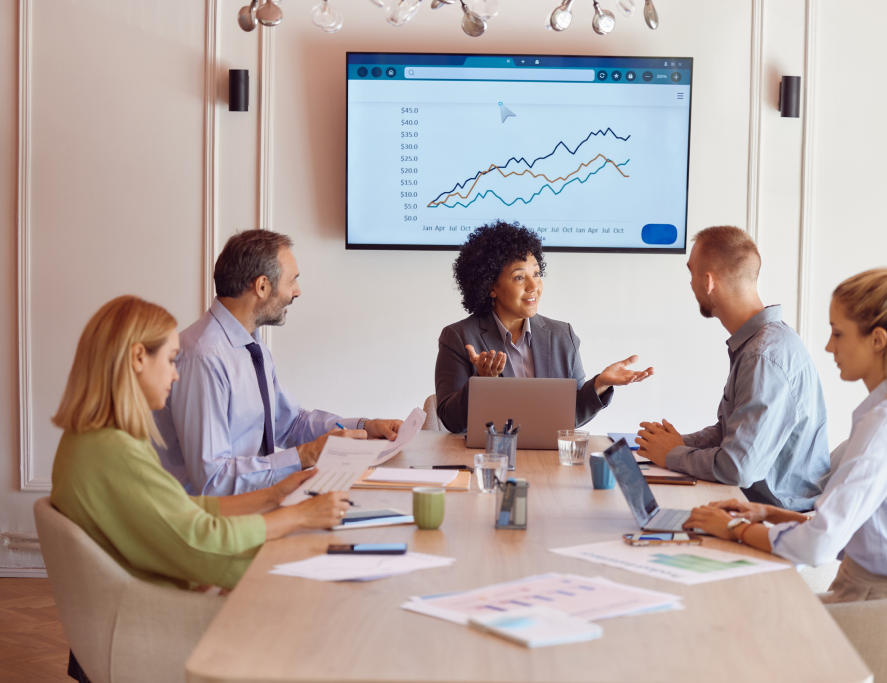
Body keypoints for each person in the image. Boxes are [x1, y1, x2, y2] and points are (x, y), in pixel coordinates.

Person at [684, 267, 887, 603]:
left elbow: (819, 545)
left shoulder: (884, 426)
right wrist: (770, 515)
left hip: (880, 604)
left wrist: (732, 528)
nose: (829, 347)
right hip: (876, 592)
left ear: (877, 340)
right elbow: (858, 529)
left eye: (838, 333)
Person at [51, 295, 349, 593]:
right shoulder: (113, 450)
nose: (176, 373)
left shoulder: (90, 441)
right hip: (163, 607)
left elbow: (183, 509)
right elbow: (201, 539)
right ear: (138, 357)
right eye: (169, 360)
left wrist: (273, 496)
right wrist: (299, 516)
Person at [154, 230, 403, 496]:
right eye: (292, 280)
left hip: (252, 506)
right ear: (262, 286)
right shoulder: (203, 357)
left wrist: (364, 428)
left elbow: (292, 423)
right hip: (211, 523)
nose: (297, 291)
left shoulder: (251, 344)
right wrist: (305, 455)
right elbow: (213, 480)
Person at [636, 225, 829, 510]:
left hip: (774, 516)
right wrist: (673, 444)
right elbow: (731, 433)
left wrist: (673, 454)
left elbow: (739, 467)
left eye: (691, 274)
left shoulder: (763, 357)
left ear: (709, 281)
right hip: (749, 504)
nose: (690, 284)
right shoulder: (760, 344)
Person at [434, 221, 653, 434]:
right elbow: (451, 421)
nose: (533, 286)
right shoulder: (458, 336)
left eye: (536, 274)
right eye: (519, 277)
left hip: (547, 461)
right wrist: (482, 383)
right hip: (489, 459)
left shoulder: (562, 335)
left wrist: (599, 384)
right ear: (490, 286)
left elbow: (570, 416)